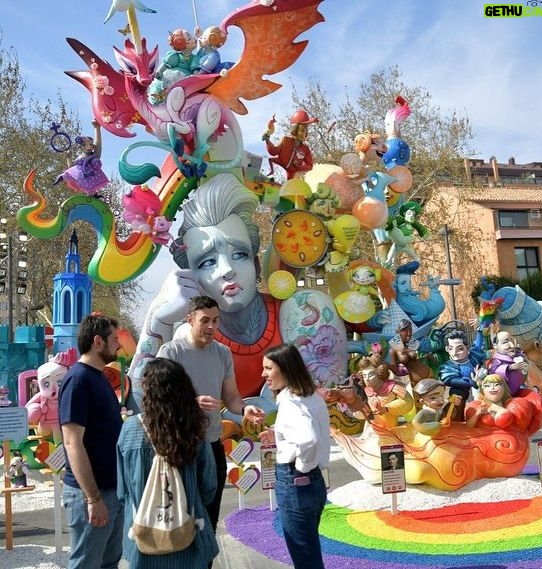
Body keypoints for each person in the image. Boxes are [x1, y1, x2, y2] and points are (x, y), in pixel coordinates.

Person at [129, 172, 346, 400]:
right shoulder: (187, 336)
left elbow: (326, 401)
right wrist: (159, 321)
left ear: (255, 263)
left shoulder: (305, 311)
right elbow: (144, 410)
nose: (227, 269)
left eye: (240, 254)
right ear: (191, 277)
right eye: (207, 262)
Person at [156, 295, 265, 534]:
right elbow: (157, 400)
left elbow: (232, 397)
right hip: (180, 446)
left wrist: (245, 409)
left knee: (209, 520)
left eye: (215, 321)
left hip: (213, 445)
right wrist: (190, 403)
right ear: (190, 320)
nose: (211, 327)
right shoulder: (170, 352)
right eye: (205, 320)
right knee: (182, 521)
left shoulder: (223, 353)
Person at [117, 358, 218, 568]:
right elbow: (208, 488)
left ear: (147, 389)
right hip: (189, 535)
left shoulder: (130, 431)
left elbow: (122, 491)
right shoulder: (193, 431)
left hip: (143, 538)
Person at [58, 313, 124, 569]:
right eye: (114, 339)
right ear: (98, 341)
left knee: (109, 563)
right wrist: (93, 499)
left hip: (111, 491)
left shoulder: (98, 377)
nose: (118, 344)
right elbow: (72, 442)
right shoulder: (79, 380)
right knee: (86, 564)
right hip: (91, 495)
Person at [259, 343, 330, 569]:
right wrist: (279, 436)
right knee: (309, 550)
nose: (264, 374)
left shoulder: (290, 401)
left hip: (296, 481)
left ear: (285, 368)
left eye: (269, 368)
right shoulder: (312, 397)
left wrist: (302, 465)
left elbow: (308, 440)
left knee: (305, 558)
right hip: (313, 483)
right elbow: (310, 435)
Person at [464, 374, 542, 434]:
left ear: (504, 388)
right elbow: (468, 427)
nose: (492, 388)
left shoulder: (513, 405)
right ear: (483, 390)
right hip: (483, 444)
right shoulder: (477, 406)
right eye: (487, 386)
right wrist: (477, 414)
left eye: (497, 385)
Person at [439, 330, 486, 421]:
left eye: (460, 349)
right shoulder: (448, 366)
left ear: (467, 348)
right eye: (451, 348)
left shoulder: (473, 357)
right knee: (456, 408)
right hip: (460, 391)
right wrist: (469, 382)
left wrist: (479, 331)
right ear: (446, 349)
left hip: (479, 388)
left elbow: (478, 346)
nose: (455, 353)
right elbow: (449, 379)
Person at [263, 109, 317, 180]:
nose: (303, 133)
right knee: (271, 160)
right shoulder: (286, 140)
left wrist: (298, 167)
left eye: (305, 131)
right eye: (301, 130)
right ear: (295, 130)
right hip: (281, 164)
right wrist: (267, 140)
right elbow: (273, 151)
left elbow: (310, 166)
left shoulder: (305, 149)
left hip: (292, 172)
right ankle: (271, 172)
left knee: (289, 184)